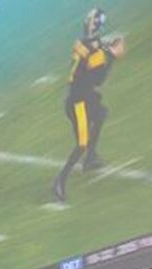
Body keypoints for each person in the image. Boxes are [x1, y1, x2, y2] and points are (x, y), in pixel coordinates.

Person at [53, 8, 125, 202]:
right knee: (81, 144)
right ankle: (59, 181)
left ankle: (91, 159)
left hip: (83, 95)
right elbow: (99, 79)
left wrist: (106, 51)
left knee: (101, 114)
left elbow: (93, 51)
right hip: (79, 102)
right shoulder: (95, 49)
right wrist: (112, 56)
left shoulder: (83, 43)